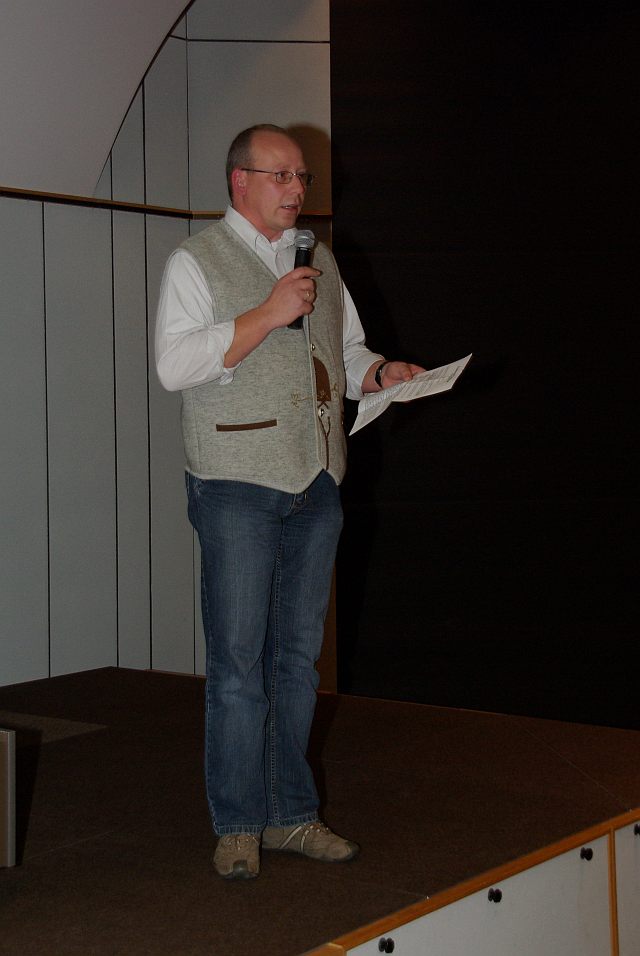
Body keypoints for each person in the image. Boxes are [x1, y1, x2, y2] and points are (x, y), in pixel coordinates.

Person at [155, 124, 423, 880]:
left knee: (297, 663)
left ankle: (291, 815)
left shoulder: (320, 259)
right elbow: (174, 364)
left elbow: (343, 351)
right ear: (239, 181)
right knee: (239, 665)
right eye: (281, 175)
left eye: (302, 176)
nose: (298, 189)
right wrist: (268, 312)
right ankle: (239, 823)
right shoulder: (195, 259)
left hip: (315, 480)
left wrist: (379, 374)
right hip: (235, 481)